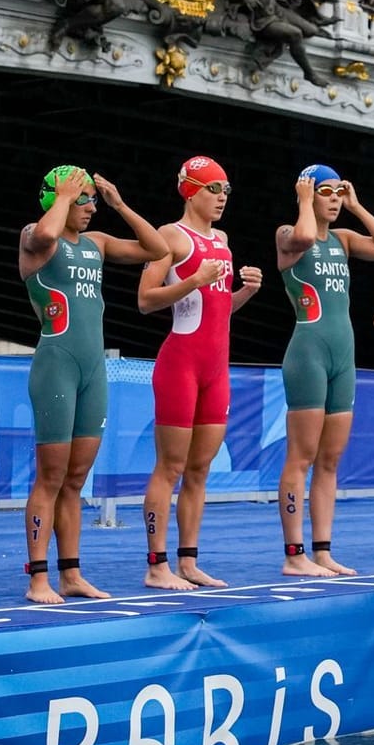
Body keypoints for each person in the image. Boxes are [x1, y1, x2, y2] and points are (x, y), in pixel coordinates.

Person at [20, 166, 171, 604]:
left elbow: (157, 249)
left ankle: (71, 574)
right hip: (55, 366)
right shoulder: (35, 235)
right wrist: (64, 197)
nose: (90, 207)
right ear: (58, 198)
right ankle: (37, 578)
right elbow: (46, 236)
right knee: (50, 477)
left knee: (75, 480)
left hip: (92, 372)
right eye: (83, 199)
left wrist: (119, 203)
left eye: (92, 200)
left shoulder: (97, 244)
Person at [139, 157, 264, 590]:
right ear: (191, 191)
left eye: (226, 190)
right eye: (214, 189)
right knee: (170, 467)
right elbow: (146, 299)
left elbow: (219, 309)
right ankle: (157, 565)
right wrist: (193, 280)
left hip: (216, 367)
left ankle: (188, 562)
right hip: (180, 364)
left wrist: (243, 291)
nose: (222, 198)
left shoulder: (224, 240)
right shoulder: (169, 236)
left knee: (200, 470)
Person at [273, 164, 374, 577]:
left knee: (330, 460)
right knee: (301, 457)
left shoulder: (344, 240)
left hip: (343, 358)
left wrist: (357, 206)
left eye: (337, 192)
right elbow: (306, 235)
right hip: (308, 354)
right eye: (325, 191)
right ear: (307, 193)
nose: (333, 198)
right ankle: (294, 554)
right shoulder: (287, 236)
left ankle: (323, 550)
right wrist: (306, 200)